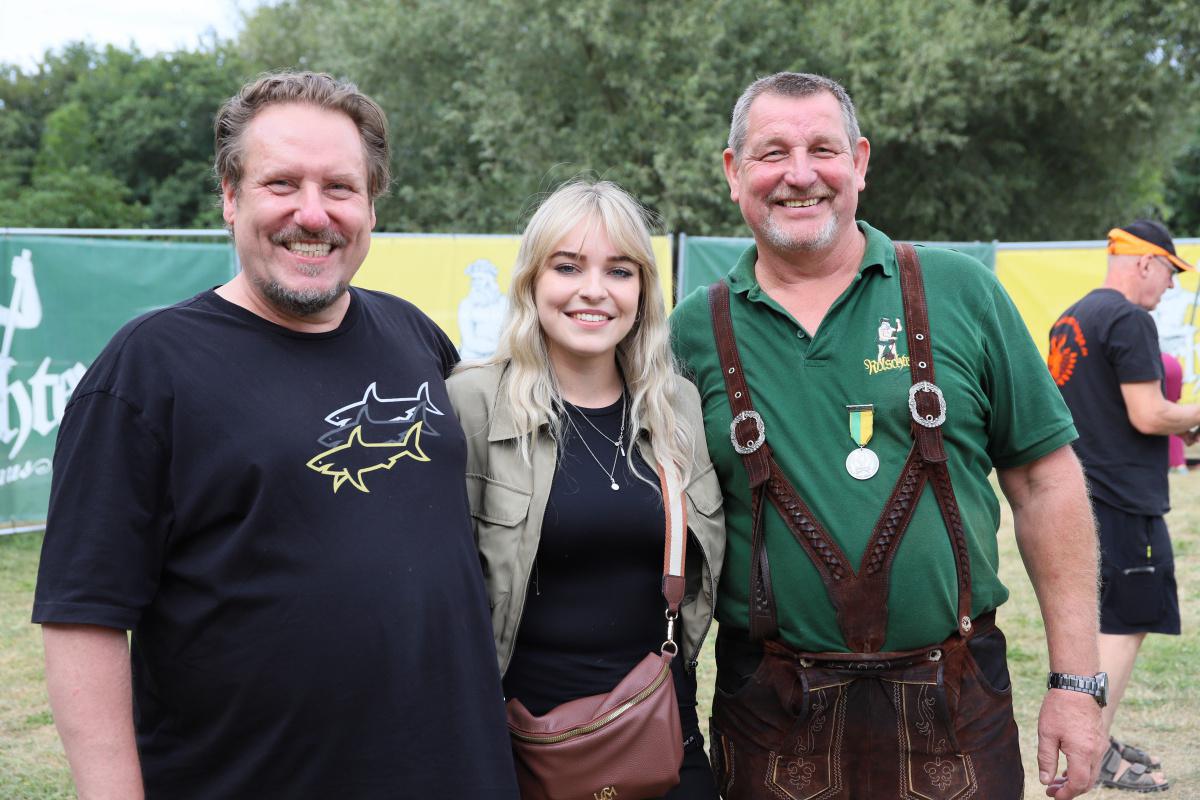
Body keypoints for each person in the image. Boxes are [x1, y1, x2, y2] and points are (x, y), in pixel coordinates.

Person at [32, 72, 518, 799]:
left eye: (341, 188)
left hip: (457, 774)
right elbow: (82, 616)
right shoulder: (146, 370)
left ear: (372, 205)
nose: (313, 214)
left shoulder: (414, 335)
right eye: (282, 184)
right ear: (230, 197)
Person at [670, 72, 1106, 800]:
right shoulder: (690, 332)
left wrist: (1077, 682)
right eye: (773, 152)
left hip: (956, 703)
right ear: (732, 170)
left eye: (824, 149)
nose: (800, 174)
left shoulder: (960, 291)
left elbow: (1045, 483)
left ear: (861, 163)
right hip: (773, 715)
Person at [447, 179, 725, 798]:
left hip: (661, 740)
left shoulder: (677, 407)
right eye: (568, 267)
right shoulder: (470, 403)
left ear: (643, 292)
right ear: (532, 282)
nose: (594, 290)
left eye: (620, 271)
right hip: (521, 747)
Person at [1048, 220, 1196, 793]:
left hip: (1083, 495)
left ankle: (1097, 742)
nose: (1169, 287)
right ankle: (1096, 750)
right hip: (1125, 499)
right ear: (1144, 263)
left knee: (1100, 625)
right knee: (1125, 627)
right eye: (1169, 273)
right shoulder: (1130, 319)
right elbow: (1150, 414)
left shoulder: (1074, 316)